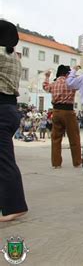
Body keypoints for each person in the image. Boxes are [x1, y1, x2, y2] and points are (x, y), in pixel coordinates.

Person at [0, 20, 28, 222]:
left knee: (4, 159)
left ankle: (15, 206)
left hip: (1, 109)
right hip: (9, 108)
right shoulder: (13, 56)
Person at [43, 64, 82, 169]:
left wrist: (47, 76)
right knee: (74, 137)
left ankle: (56, 163)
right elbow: (79, 83)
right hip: (68, 111)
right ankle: (77, 161)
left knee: (56, 138)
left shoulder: (54, 83)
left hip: (56, 111)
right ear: (66, 73)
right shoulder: (70, 83)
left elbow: (45, 87)